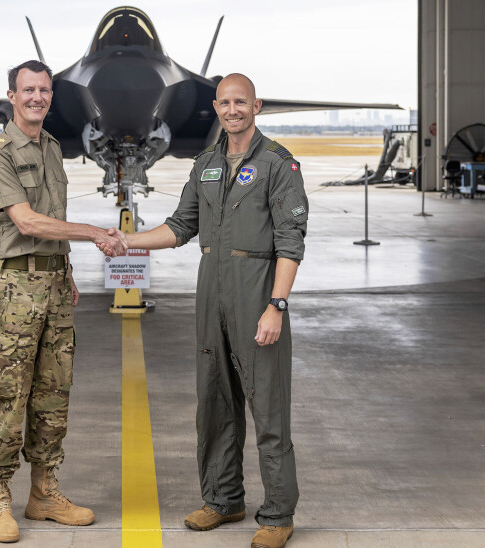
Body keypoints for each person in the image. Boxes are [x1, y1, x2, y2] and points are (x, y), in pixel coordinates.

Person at [113, 73, 308, 548]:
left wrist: (276, 306)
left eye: (241, 102)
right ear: (216, 108)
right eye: (225, 103)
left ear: (256, 106)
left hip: (256, 292)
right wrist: (126, 243)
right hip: (211, 293)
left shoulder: (279, 165)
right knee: (215, 405)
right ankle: (223, 500)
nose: (233, 110)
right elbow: (182, 225)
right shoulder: (206, 165)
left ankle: (278, 514)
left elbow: (290, 242)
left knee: (268, 410)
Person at [0, 59, 126, 544]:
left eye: (44, 90)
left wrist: (68, 271)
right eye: (28, 90)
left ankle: (44, 492)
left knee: (52, 396)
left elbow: (51, 218)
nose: (37, 97)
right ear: (12, 95)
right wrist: (94, 234)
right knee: (9, 396)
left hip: (56, 287)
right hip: (15, 291)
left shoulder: (53, 147)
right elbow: (28, 222)